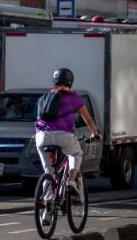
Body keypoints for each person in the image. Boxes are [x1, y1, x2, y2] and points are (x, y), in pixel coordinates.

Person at [35, 68, 100, 221]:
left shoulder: (44, 97)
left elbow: (38, 119)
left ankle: (46, 212)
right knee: (76, 154)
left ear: (54, 81)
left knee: (49, 171)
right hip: (63, 135)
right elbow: (88, 119)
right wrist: (96, 134)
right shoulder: (74, 97)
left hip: (41, 137)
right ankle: (71, 179)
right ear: (70, 81)